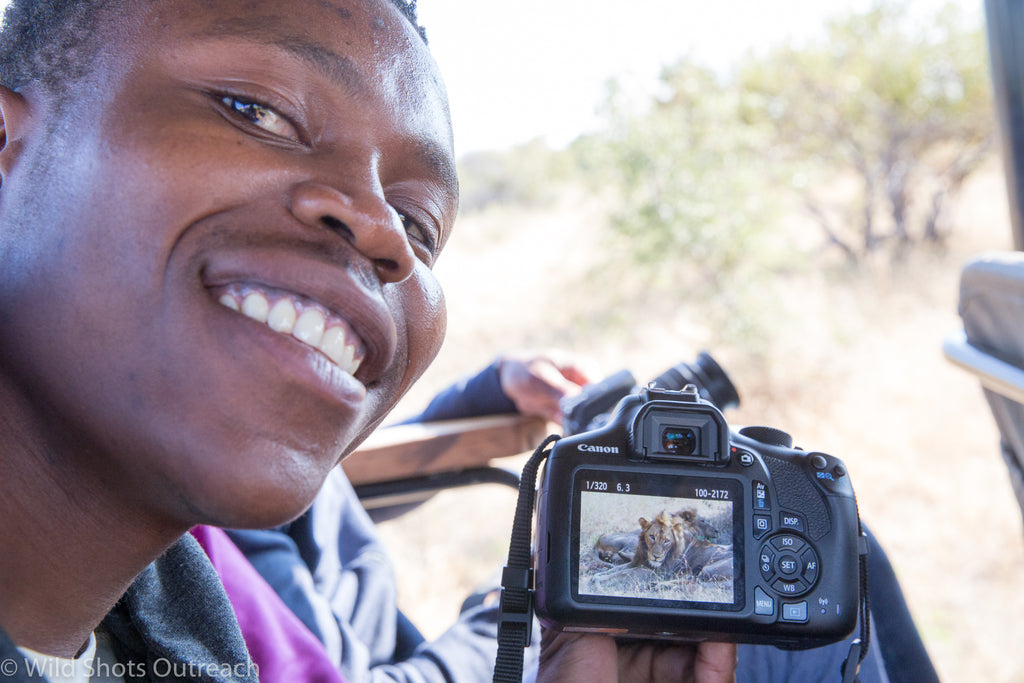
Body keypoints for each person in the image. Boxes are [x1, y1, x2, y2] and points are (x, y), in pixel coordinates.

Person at [0, 1, 735, 682]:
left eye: (420, 224)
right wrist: (507, 617)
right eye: (258, 111)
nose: (387, 234)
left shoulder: (172, 638)